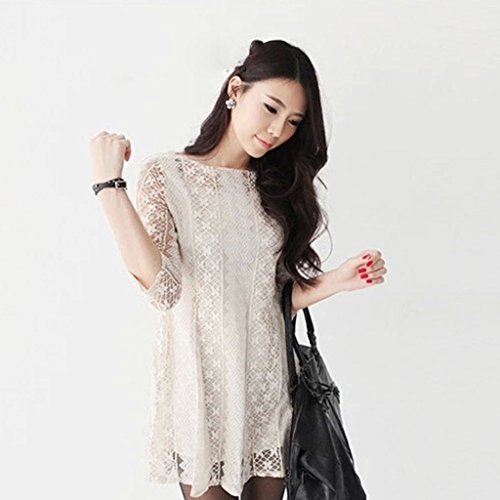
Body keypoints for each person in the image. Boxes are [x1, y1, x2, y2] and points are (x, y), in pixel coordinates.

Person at [90, 39, 387, 500]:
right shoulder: (169, 176)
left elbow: (272, 299)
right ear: (235, 90)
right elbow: (162, 289)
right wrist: (110, 187)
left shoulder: (275, 189)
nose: (277, 130)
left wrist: (336, 280)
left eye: (293, 122)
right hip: (203, 397)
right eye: (270, 108)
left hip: (268, 393)